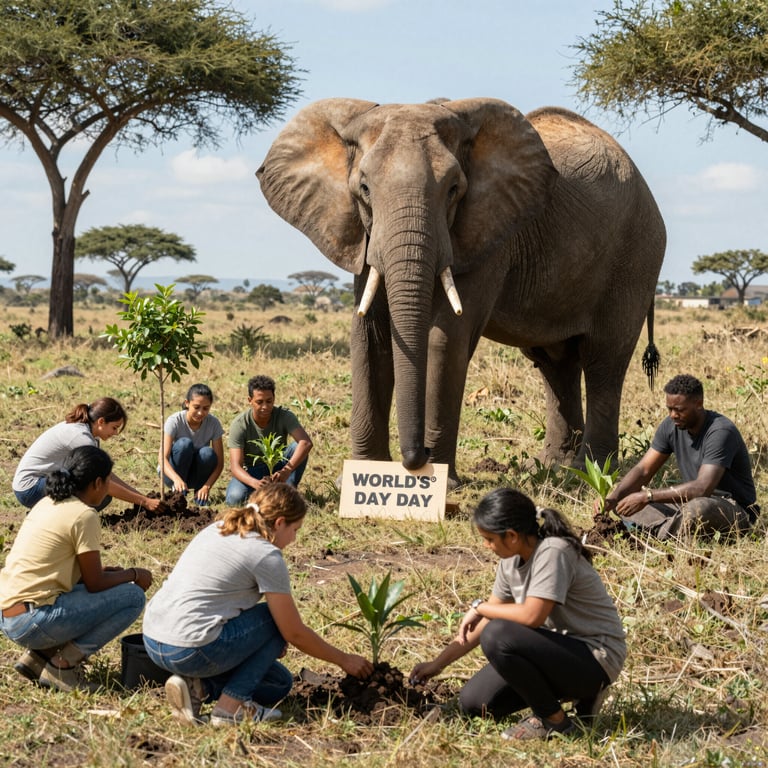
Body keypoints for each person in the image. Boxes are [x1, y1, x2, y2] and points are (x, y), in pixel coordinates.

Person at [142, 483, 373, 726]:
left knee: (278, 683)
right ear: (280, 523)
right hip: (190, 649)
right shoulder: (265, 554)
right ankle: (230, 708)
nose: (294, 538)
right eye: (295, 530)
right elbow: (293, 632)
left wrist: (261, 642)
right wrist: (344, 659)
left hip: (154, 640)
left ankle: (197, 688)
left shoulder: (219, 528)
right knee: (275, 620)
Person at [409, 488, 626, 741]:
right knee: (475, 703)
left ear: (511, 536)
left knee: (497, 634)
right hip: (555, 654)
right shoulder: (509, 562)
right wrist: (436, 665)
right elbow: (486, 620)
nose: (486, 546)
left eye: (489, 539)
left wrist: (478, 607)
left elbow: (531, 616)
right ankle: (576, 699)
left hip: (596, 657)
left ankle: (554, 720)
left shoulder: (553, 551)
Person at [0, 445, 152, 692]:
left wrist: (110, 573)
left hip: (9, 615)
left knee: (107, 591)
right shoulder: (84, 515)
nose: (108, 488)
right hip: (33, 620)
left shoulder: (47, 502)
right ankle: (63, 666)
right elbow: (95, 584)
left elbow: (66, 573)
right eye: (108, 482)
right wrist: (133, 574)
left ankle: (38, 657)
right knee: (132, 597)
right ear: (98, 483)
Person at [599, 373, 759, 540]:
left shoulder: (720, 431)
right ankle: (668, 530)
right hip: (687, 503)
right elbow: (643, 469)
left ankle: (653, 531)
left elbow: (702, 488)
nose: (673, 415)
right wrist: (612, 499)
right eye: (669, 409)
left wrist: (648, 496)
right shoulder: (671, 426)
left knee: (698, 508)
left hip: (731, 509)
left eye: (680, 410)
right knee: (624, 502)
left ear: (699, 404)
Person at [13, 397, 164, 513]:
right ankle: (46, 515)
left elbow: (106, 475)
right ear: (101, 421)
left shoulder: (88, 433)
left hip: (45, 482)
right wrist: (144, 502)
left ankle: (46, 513)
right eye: (114, 428)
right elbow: (105, 484)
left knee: (101, 493)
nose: (116, 433)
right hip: (30, 488)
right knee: (98, 490)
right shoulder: (80, 437)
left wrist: (141, 497)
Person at [225, 375, 313, 507]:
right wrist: (254, 483)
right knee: (234, 499)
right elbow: (235, 466)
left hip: (279, 466)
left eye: (269, 401)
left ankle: (288, 490)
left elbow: (306, 442)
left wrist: (286, 471)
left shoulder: (284, 416)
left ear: (274, 398)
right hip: (253, 471)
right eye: (259, 402)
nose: (265, 406)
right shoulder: (240, 424)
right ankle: (266, 495)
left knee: (298, 446)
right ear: (250, 400)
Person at [159, 383, 224, 506]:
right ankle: (177, 494)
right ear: (187, 403)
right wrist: (176, 479)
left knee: (207, 453)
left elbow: (219, 464)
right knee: (184, 444)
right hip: (171, 474)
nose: (200, 413)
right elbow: (162, 459)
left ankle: (199, 496)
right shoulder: (174, 421)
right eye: (196, 407)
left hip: (195, 474)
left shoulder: (213, 424)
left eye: (205, 408)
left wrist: (206, 486)